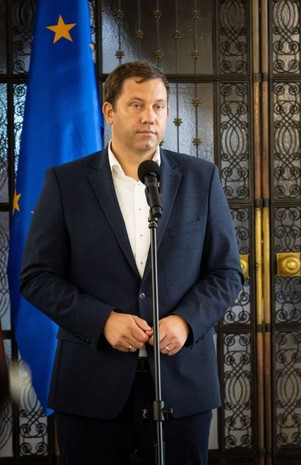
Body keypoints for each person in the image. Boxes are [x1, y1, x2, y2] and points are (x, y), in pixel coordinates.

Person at [20, 61, 244, 464]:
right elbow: (37, 277)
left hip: (181, 384)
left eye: (158, 106)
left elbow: (226, 273)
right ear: (110, 112)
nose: (149, 117)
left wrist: (186, 321)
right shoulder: (66, 183)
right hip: (91, 385)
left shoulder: (201, 178)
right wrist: (101, 320)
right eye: (136, 105)